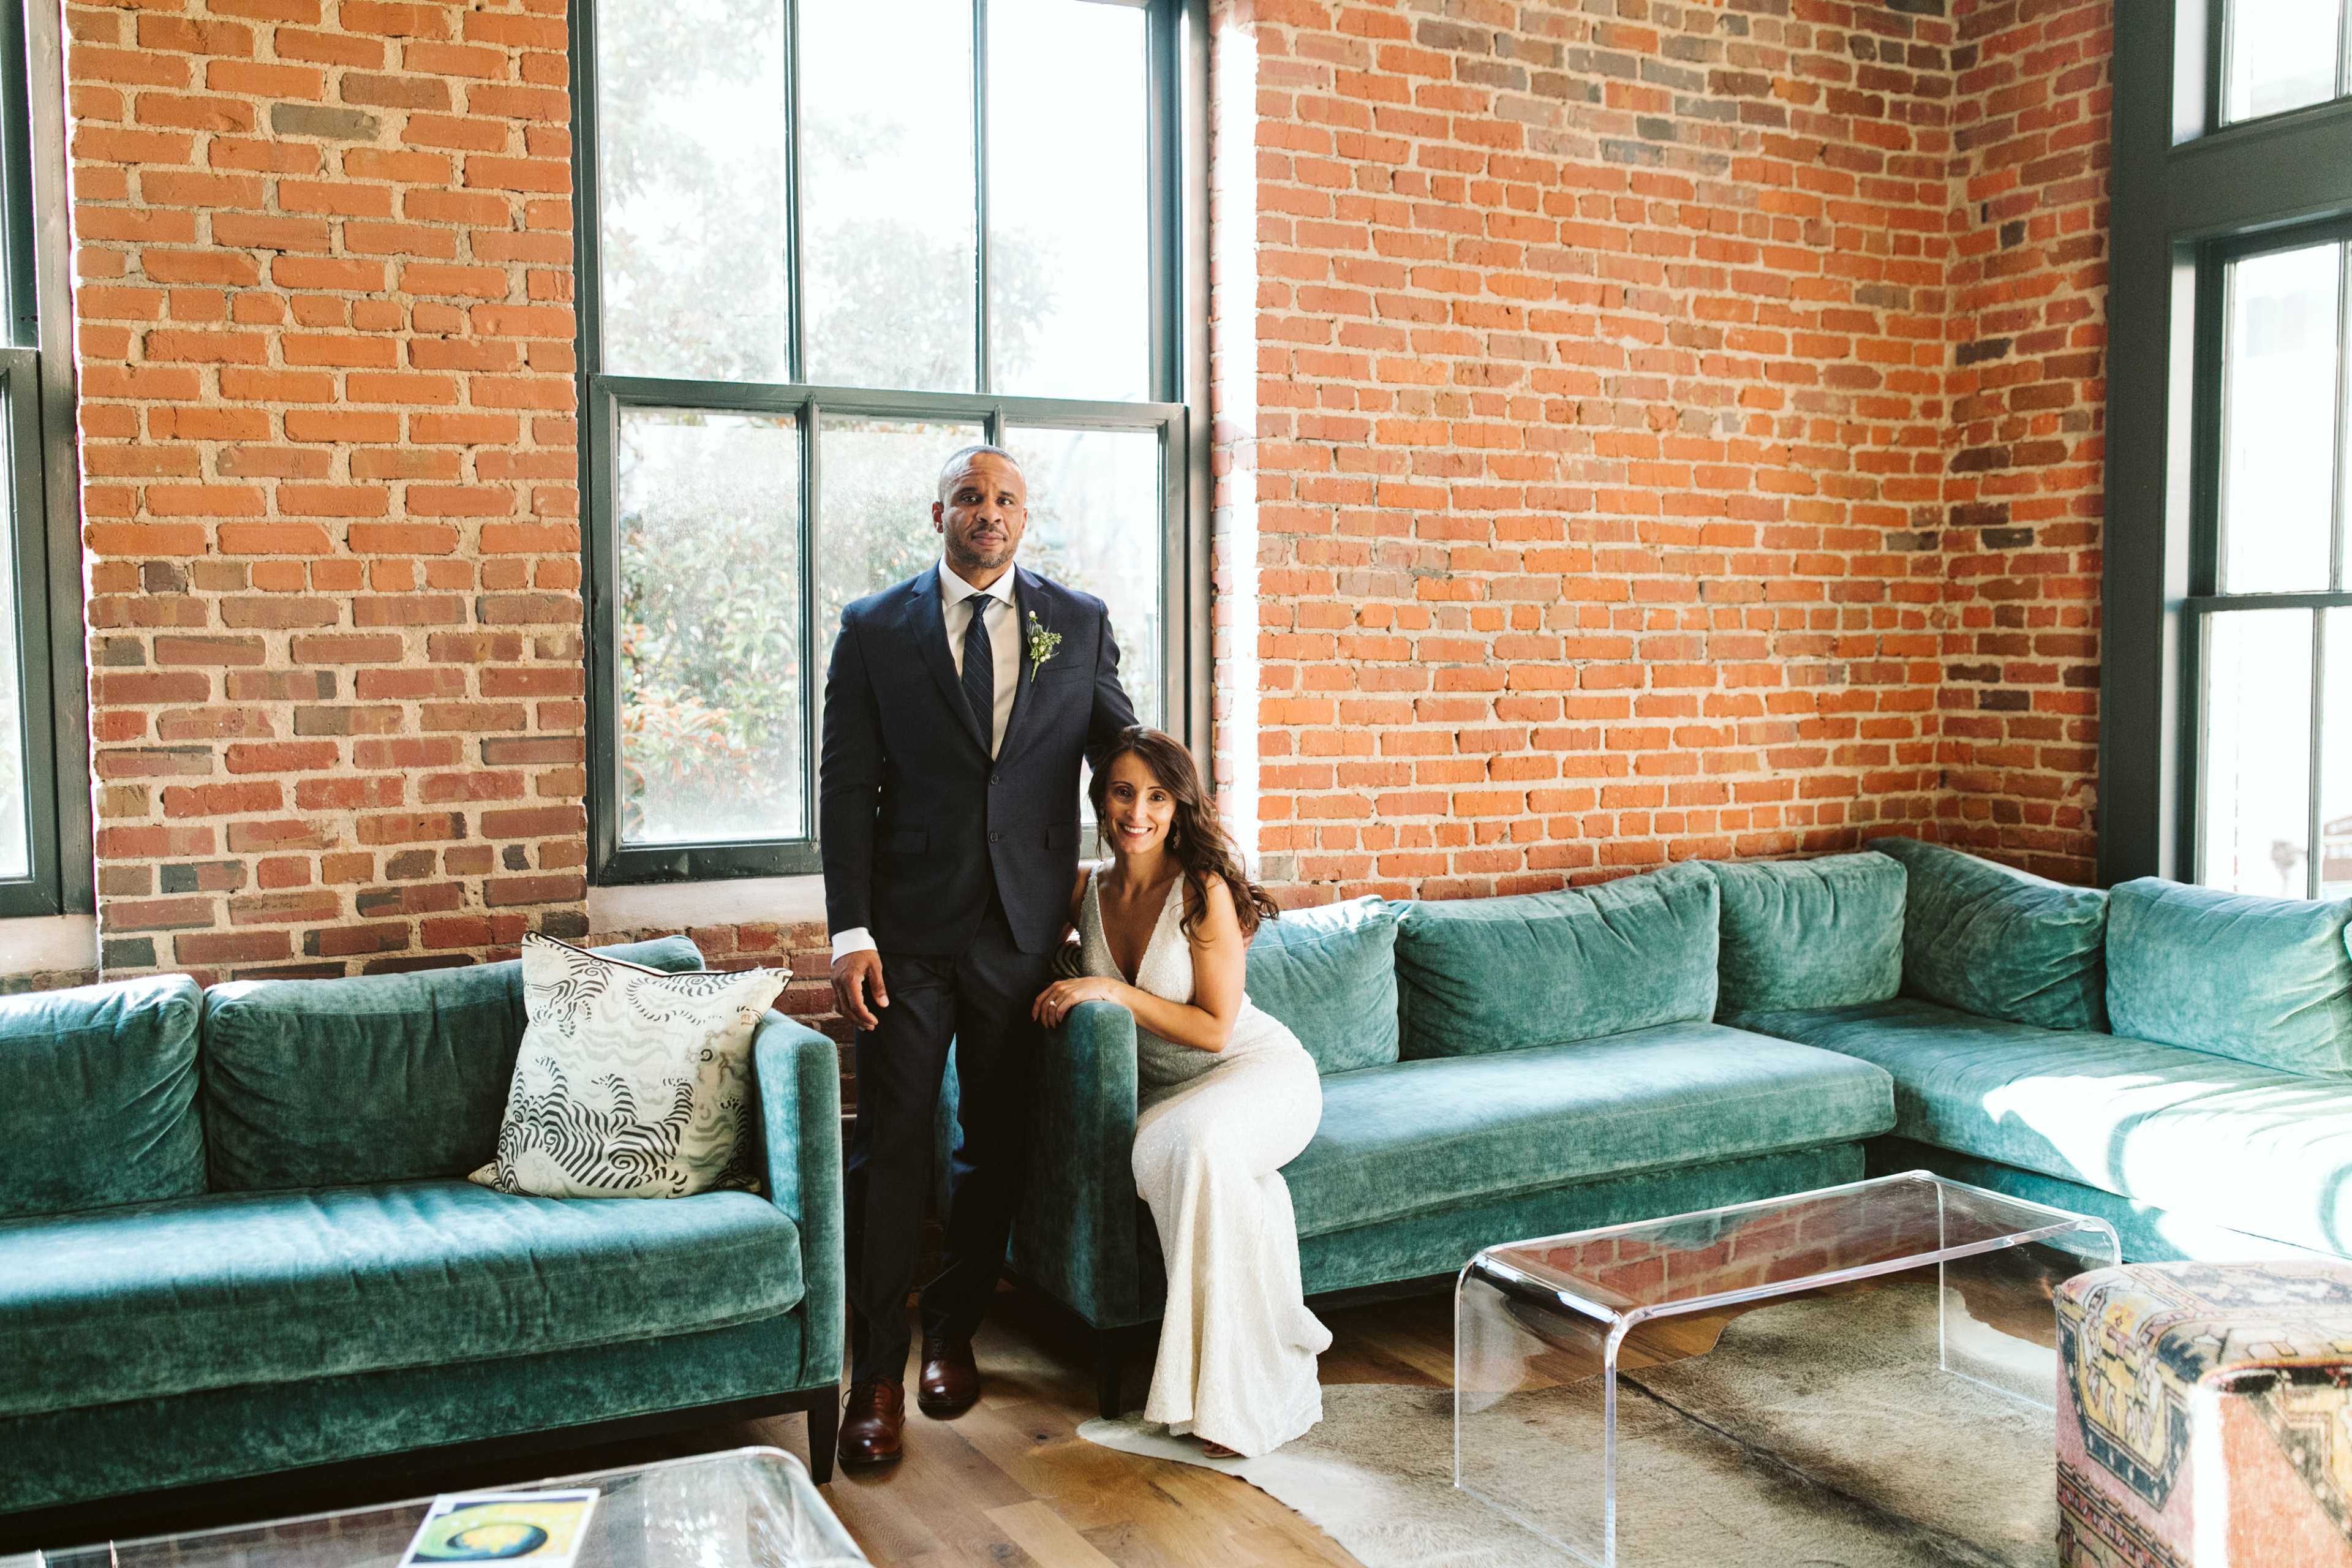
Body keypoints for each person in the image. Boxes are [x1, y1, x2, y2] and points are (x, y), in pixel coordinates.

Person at [820, 444, 1137, 1469]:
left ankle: (954, 1332)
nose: (987, 513)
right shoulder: (875, 628)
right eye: (970, 497)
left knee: (993, 1144)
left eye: (1005, 500)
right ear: (938, 513)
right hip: (905, 937)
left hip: (1023, 930)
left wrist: (1177, 866)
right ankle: (876, 1369)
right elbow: (843, 787)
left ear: (1023, 518)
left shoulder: (1076, 622)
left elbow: (1122, 762)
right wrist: (851, 930)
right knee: (891, 1149)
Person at [1031, 727, 1329, 1459]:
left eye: (1158, 796)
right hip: (1166, 1102)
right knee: (1178, 1152)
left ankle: (1229, 1406)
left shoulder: (1201, 888)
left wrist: (1108, 989)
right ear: (1101, 799)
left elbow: (1216, 1027)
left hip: (1259, 1075)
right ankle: (1214, 1385)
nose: (1138, 811)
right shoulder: (1083, 889)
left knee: (1200, 1147)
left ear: (1178, 807)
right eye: (1124, 791)